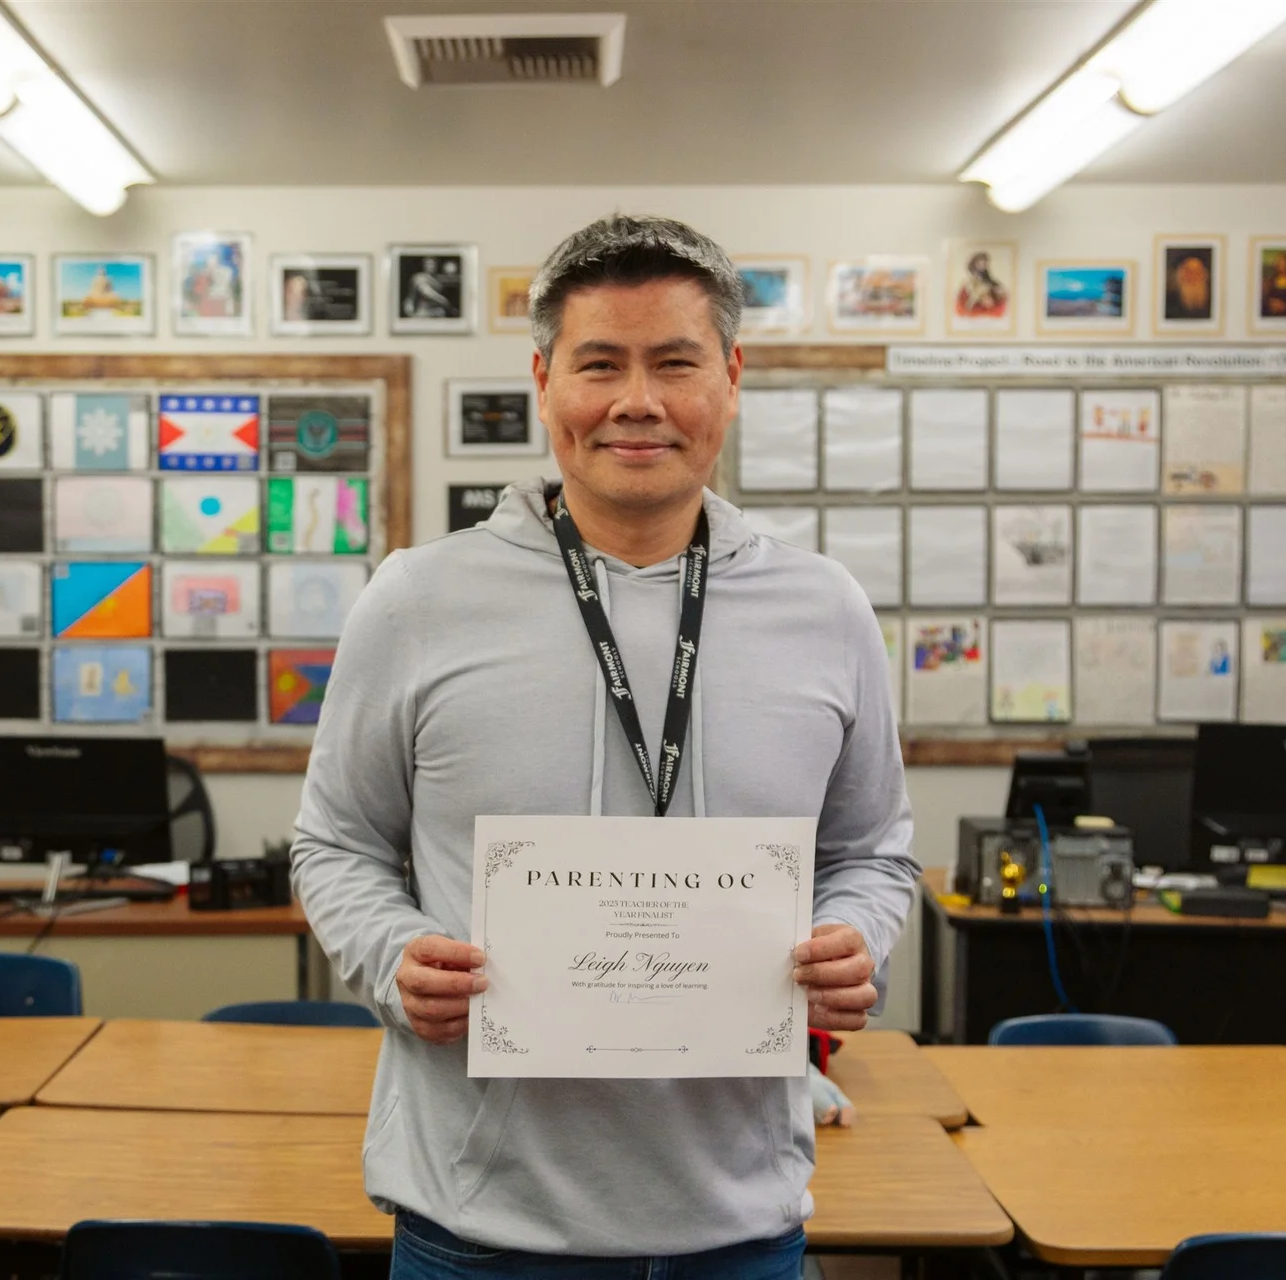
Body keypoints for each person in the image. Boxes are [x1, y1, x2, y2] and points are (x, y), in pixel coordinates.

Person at [291, 213, 918, 1277]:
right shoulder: (417, 599)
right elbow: (336, 843)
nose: (637, 400)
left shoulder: (826, 608)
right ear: (544, 382)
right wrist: (394, 958)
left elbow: (874, 851)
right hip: (481, 1235)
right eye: (599, 365)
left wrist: (855, 936)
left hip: (739, 1230)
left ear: (730, 377)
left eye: (674, 363)